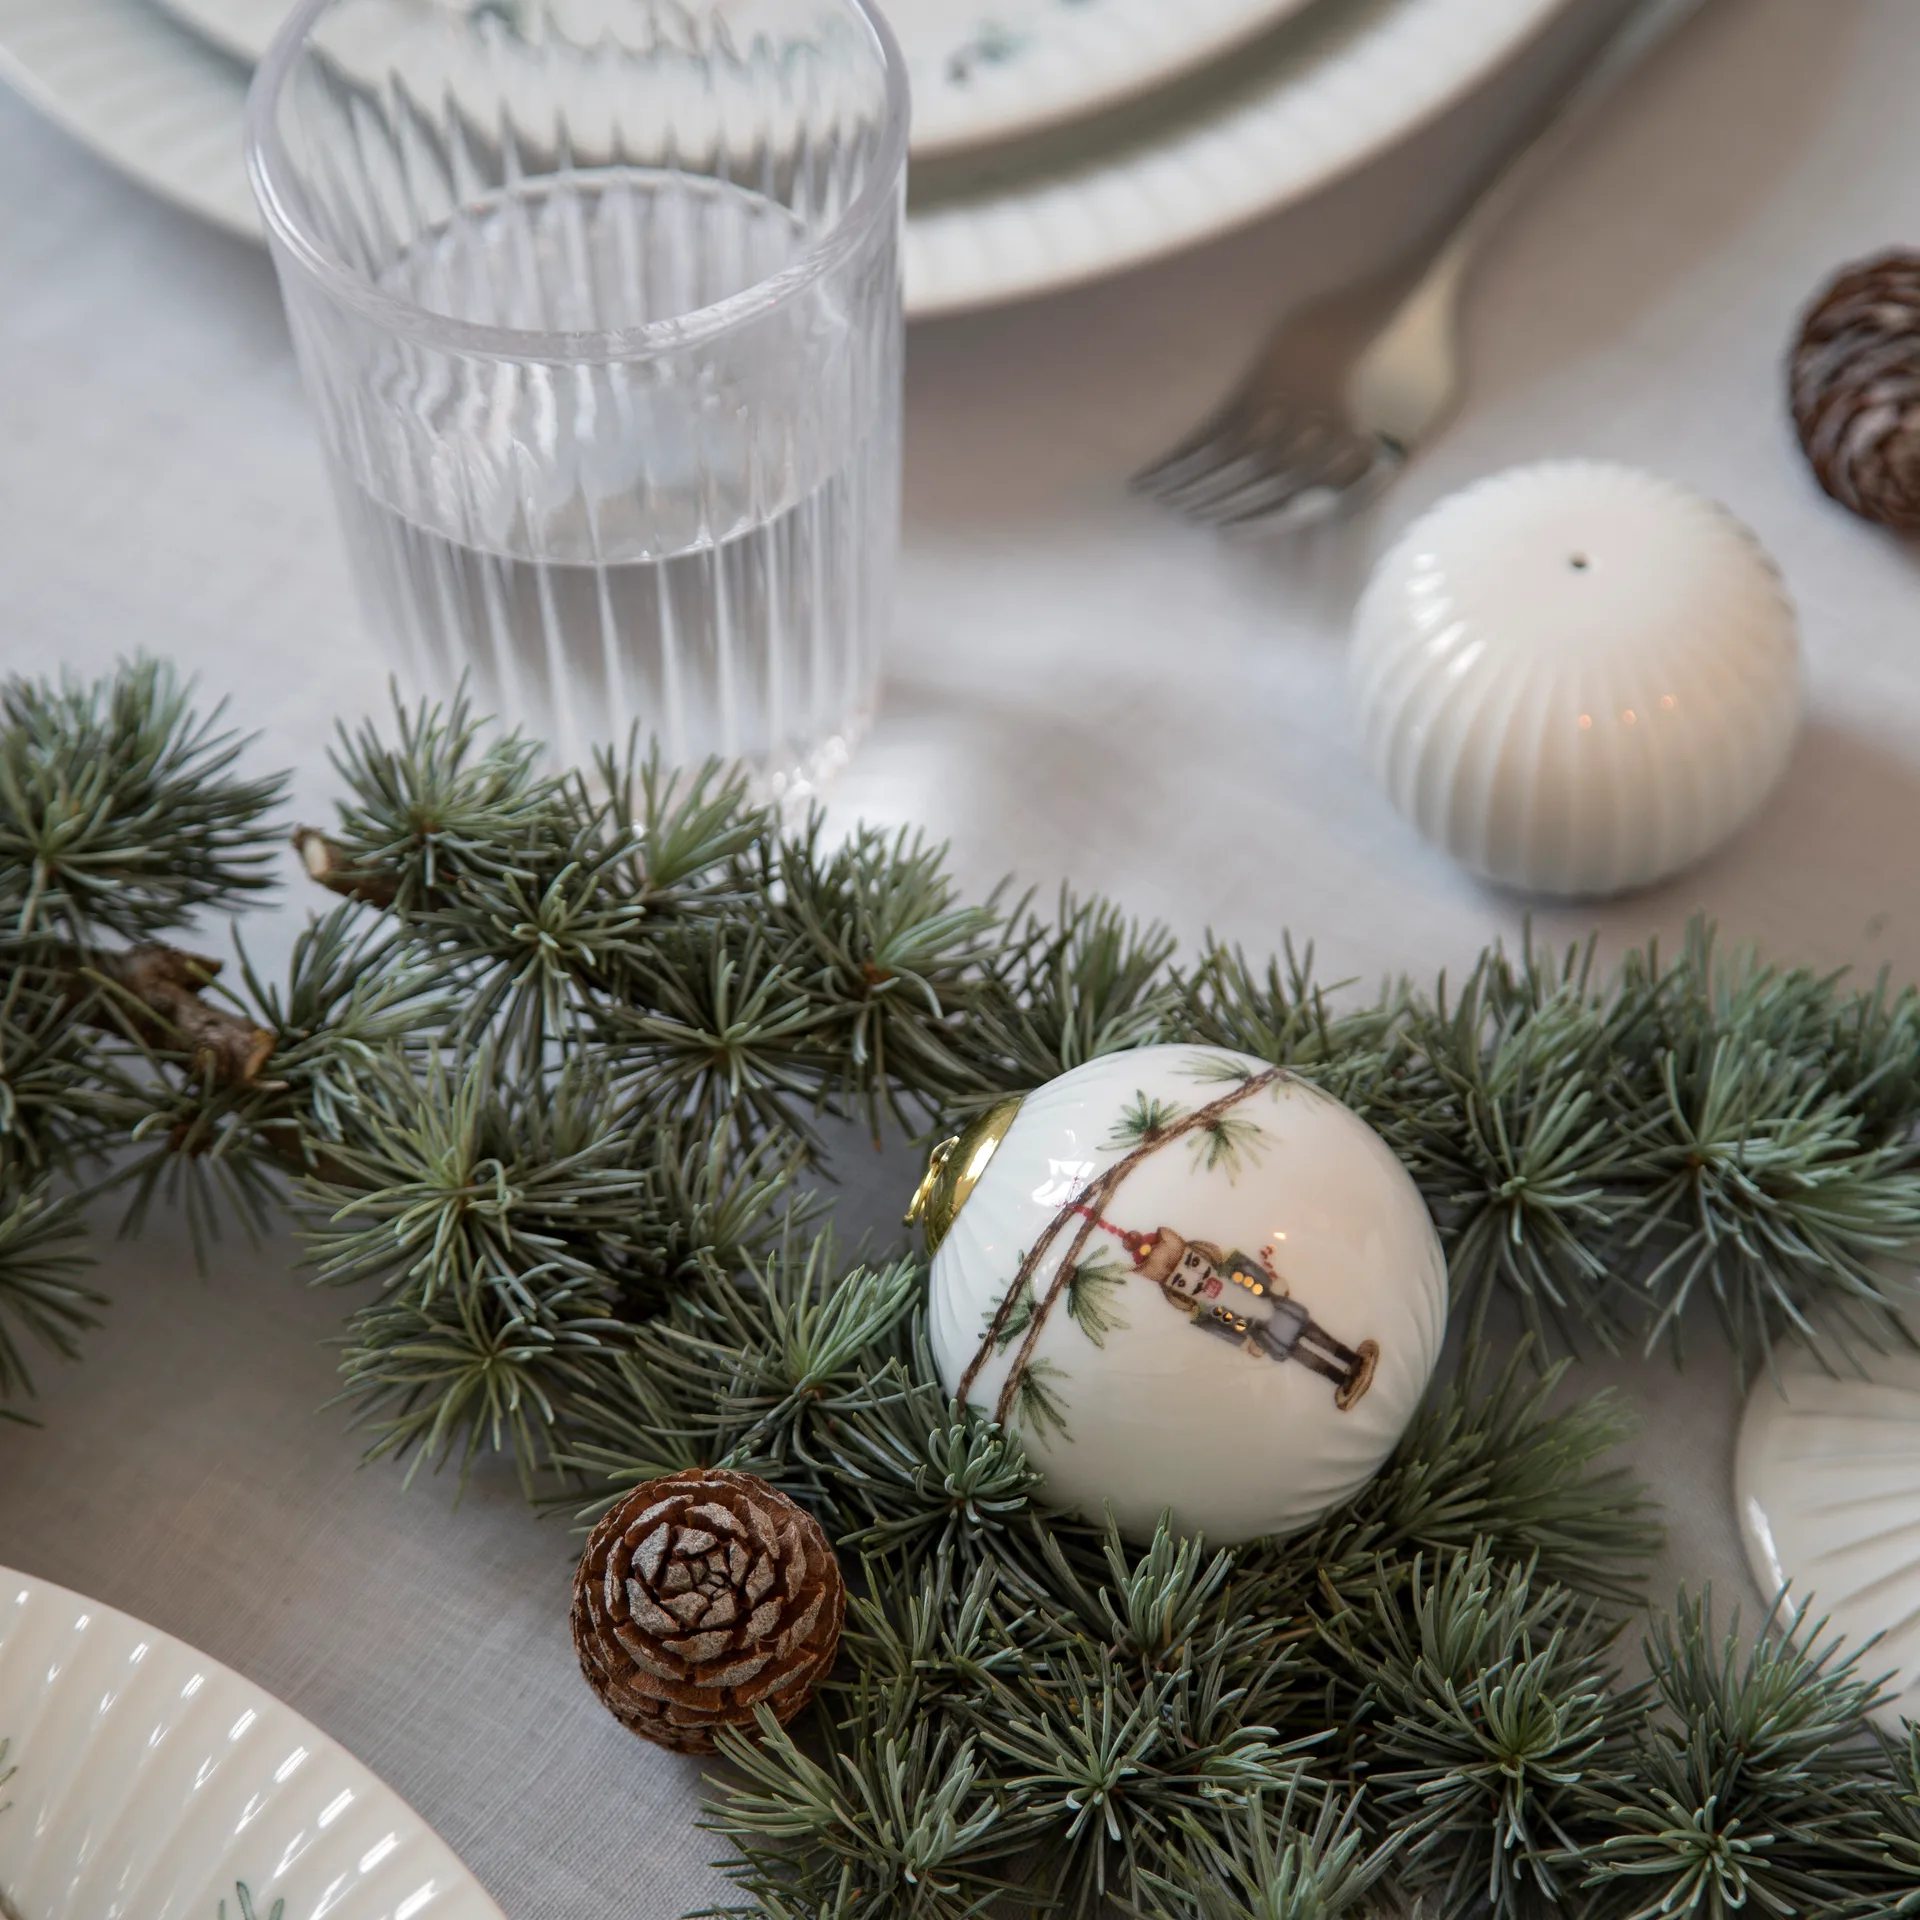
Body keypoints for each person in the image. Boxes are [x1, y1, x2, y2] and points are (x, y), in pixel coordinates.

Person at [1130, 1224, 1378, 1411]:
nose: (1196, 1277)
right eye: (1181, 1281)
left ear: (1201, 1253)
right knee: (1304, 1357)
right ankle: (1342, 1380)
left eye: (1193, 1262)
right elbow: (1223, 1331)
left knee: (1317, 1335)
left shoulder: (1231, 1264)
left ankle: (1353, 1360)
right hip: (1264, 1334)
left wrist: (1272, 1285)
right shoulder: (1202, 1313)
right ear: (1175, 1291)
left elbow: (1253, 1271)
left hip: (1278, 1308)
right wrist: (1246, 1342)